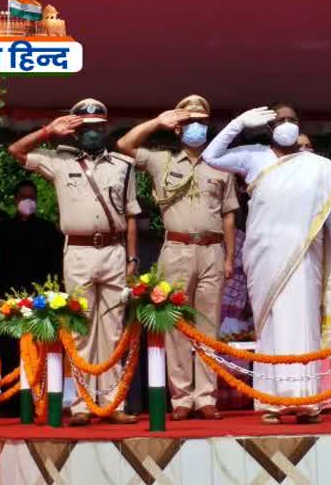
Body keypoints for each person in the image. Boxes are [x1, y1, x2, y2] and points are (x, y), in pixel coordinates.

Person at [202, 103, 331, 424]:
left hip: (304, 255)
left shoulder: (316, 165)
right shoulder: (253, 155)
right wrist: (237, 123)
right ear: (269, 127)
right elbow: (211, 156)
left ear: (299, 126)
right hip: (264, 255)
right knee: (270, 327)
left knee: (303, 321)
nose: (286, 124)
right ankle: (271, 403)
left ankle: (307, 402)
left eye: (292, 120)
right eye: (280, 120)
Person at [8, 98, 140, 426]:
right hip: (78, 251)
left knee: (111, 329)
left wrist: (132, 257)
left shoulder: (123, 165)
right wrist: (48, 131)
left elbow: (132, 215)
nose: (93, 133)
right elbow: (16, 151)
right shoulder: (59, 161)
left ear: (105, 128)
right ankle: (81, 404)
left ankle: (112, 403)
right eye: (85, 128)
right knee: (80, 328)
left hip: (114, 251)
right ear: (75, 132)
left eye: (98, 127)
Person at [117, 94, 238, 421]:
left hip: (212, 250)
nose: (195, 127)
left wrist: (229, 258)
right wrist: (158, 120)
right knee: (177, 326)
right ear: (178, 128)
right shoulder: (162, 161)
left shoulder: (221, 164)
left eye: (200, 121)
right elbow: (124, 145)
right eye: (188, 122)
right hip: (177, 249)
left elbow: (229, 214)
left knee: (208, 325)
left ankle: (206, 397)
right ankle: (182, 397)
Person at [0, 180, 63, 415]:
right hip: (8, 302)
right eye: (23, 196)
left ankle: (41, 402)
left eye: (32, 197)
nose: (27, 201)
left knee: (41, 353)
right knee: (11, 353)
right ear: (15, 200)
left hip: (40, 302)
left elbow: (56, 267)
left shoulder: (48, 230)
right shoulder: (2, 230)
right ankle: (11, 405)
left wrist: (53, 296)